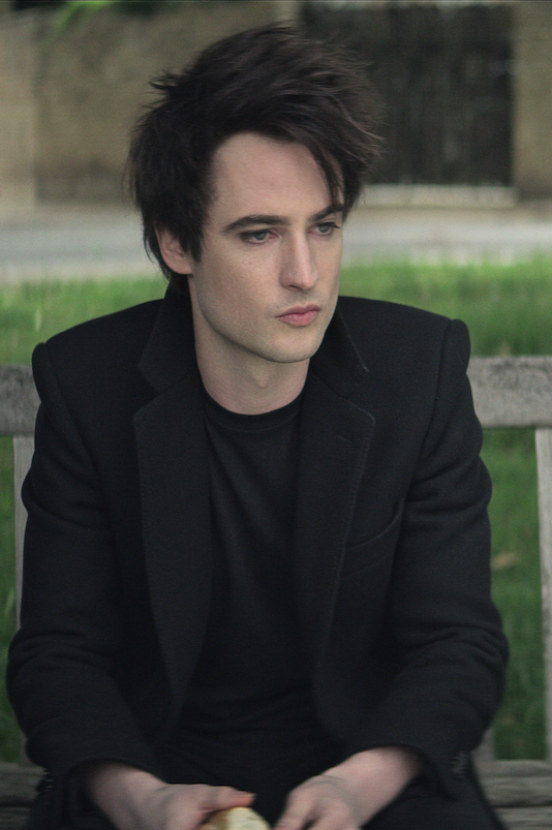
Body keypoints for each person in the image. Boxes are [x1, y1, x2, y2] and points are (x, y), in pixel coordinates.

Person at [7, 24, 508, 830]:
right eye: (259, 233)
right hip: (155, 770)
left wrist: (362, 783)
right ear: (177, 242)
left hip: (368, 773)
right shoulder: (87, 386)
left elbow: (459, 643)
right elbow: (59, 657)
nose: (304, 274)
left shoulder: (419, 371)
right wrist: (137, 797)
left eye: (325, 226)